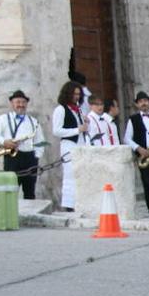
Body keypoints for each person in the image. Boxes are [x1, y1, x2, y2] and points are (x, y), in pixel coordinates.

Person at [0, 90, 45, 200]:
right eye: (18, 102)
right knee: (10, 191)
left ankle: (30, 214)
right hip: (12, 157)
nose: (21, 105)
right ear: (12, 103)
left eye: (23, 102)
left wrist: (37, 156)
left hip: (30, 158)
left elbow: (40, 141)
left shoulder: (33, 121)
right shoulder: (3, 120)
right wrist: (5, 142)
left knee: (30, 191)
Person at [50, 80, 87, 212]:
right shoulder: (60, 110)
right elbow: (57, 130)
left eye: (78, 94)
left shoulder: (78, 110)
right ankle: (69, 205)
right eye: (74, 94)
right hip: (68, 145)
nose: (76, 97)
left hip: (80, 144)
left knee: (81, 173)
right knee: (70, 175)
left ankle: (80, 202)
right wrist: (77, 129)